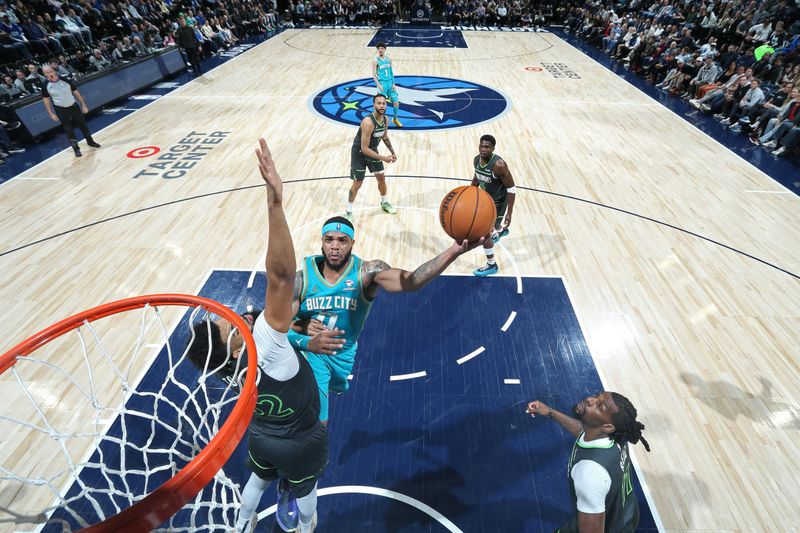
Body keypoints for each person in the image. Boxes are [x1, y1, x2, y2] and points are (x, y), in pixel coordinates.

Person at [186, 139, 330, 533]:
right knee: (305, 491)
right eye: (230, 328)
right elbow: (282, 277)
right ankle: (306, 526)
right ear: (233, 346)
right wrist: (275, 203)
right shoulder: (263, 340)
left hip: (263, 433)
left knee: (257, 480)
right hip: (299, 438)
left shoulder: (230, 368)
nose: (235, 320)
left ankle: (242, 523)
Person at [287, 214, 481, 423]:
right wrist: (300, 328)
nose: (335, 246)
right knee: (316, 422)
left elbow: (412, 281)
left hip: (343, 355)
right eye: (329, 239)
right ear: (322, 242)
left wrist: (453, 252)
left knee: (323, 401)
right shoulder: (302, 279)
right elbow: (274, 327)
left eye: (342, 240)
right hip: (308, 354)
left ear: (352, 243)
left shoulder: (367, 273)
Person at [526, 392, 650, 533]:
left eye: (599, 405)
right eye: (597, 396)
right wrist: (550, 412)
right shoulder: (616, 436)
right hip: (627, 514)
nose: (590, 400)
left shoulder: (589, 472)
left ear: (608, 427)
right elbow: (584, 432)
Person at [345, 93, 398, 220]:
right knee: (358, 183)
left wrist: (392, 152)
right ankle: (348, 211)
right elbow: (364, 148)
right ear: (374, 105)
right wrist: (383, 158)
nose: (382, 105)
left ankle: (384, 202)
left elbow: (384, 137)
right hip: (359, 153)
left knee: (381, 178)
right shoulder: (368, 122)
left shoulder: (386, 119)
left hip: (372, 150)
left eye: (384, 103)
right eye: (379, 103)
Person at [471, 134, 516, 277]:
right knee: (492, 228)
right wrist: (470, 194)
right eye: (481, 146)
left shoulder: (499, 165)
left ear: (493, 149)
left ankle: (492, 264)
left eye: (487, 147)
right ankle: (500, 229)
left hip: (498, 202)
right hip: (485, 200)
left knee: (485, 235)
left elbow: (511, 188)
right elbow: (477, 177)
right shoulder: (477, 160)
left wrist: (509, 212)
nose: (483, 149)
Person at [41, 65, 101, 157]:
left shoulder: (65, 80)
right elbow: (46, 100)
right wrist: (50, 113)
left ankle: (90, 142)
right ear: (44, 74)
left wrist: (83, 105)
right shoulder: (45, 85)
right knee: (68, 129)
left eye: (50, 71)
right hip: (60, 109)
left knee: (83, 124)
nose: (49, 74)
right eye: (47, 73)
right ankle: (76, 149)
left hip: (73, 106)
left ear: (54, 71)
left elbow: (75, 92)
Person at [372, 42, 402, 128]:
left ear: (385, 49)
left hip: (390, 84)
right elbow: (374, 75)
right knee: (380, 104)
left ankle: (395, 119)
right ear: (377, 50)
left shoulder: (389, 59)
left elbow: (391, 72)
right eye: (379, 48)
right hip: (382, 84)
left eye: (382, 48)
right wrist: (379, 85)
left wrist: (393, 83)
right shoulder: (375, 61)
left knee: (396, 103)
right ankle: (378, 120)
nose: (380, 50)